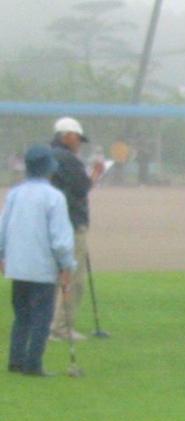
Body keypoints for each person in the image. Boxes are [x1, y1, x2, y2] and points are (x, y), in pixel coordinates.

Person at [0, 145, 76, 376]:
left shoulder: (15, 193)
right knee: (42, 317)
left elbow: (2, 227)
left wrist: (1, 254)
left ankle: (16, 360)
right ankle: (33, 364)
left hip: (18, 265)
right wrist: (67, 265)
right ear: (48, 169)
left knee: (22, 316)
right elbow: (60, 238)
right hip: (43, 266)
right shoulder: (54, 197)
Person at [48, 117, 102, 342]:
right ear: (67, 136)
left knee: (53, 276)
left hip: (52, 222)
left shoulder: (48, 156)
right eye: (77, 138)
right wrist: (96, 174)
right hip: (71, 222)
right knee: (73, 276)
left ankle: (49, 323)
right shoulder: (68, 159)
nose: (79, 143)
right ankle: (62, 327)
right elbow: (82, 188)